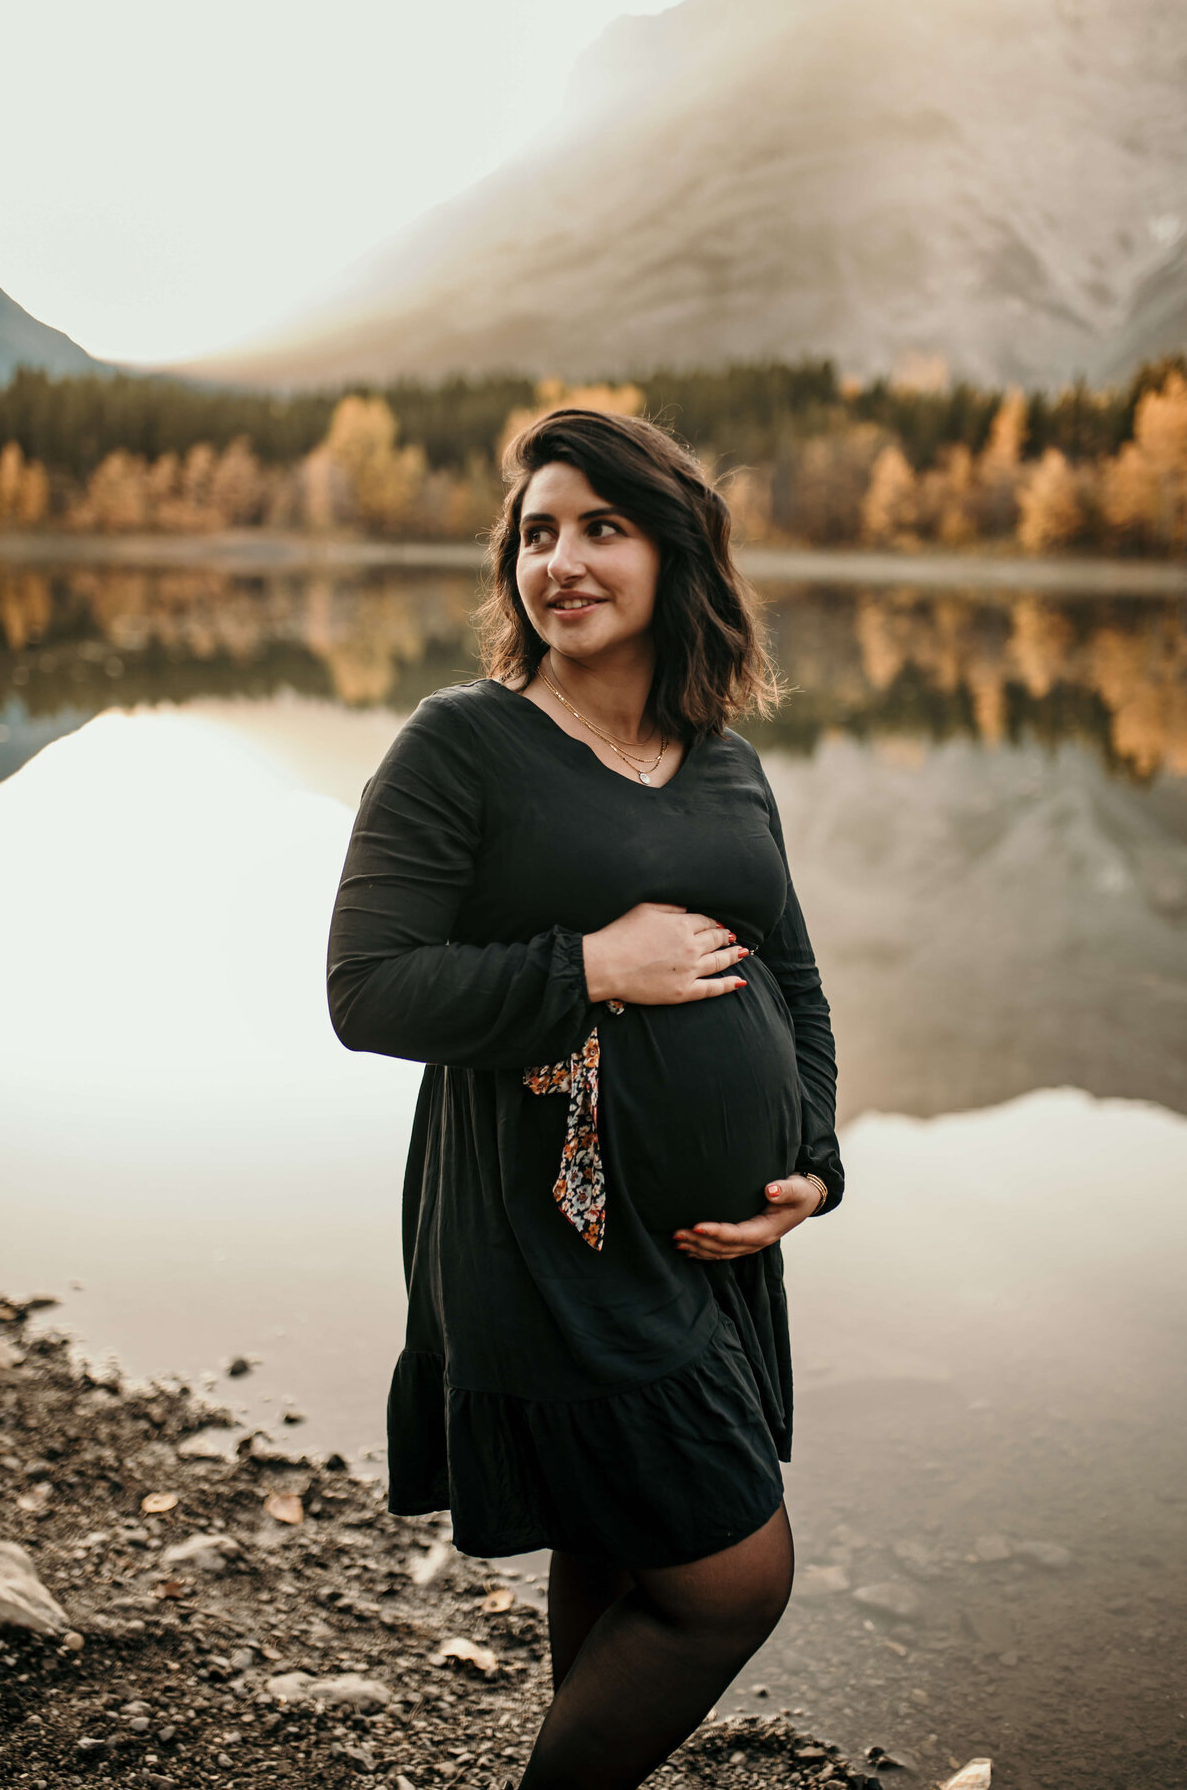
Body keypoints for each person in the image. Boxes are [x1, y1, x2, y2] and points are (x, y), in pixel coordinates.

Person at [326, 408, 844, 1790]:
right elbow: (367, 991)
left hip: (703, 1253)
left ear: (676, 556)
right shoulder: (464, 747)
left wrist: (816, 1159)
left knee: (620, 1551)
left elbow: (789, 967)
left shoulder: (724, 761)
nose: (560, 558)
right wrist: (590, 966)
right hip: (542, 1238)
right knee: (734, 1580)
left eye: (601, 528)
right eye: (538, 532)